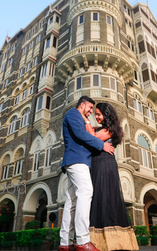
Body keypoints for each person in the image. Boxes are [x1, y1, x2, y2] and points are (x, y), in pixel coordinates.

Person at [60, 96, 115, 251]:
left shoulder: (80, 117)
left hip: (77, 161)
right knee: (86, 192)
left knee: (72, 202)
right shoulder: (73, 113)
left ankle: (65, 243)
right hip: (77, 160)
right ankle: (82, 241)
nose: (91, 112)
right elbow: (81, 135)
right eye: (90, 108)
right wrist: (102, 145)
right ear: (82, 105)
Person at [84, 103, 138, 251]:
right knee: (98, 199)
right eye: (95, 114)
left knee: (105, 199)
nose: (96, 117)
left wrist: (87, 122)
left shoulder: (109, 129)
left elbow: (93, 138)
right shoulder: (103, 128)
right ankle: (98, 241)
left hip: (104, 166)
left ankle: (112, 243)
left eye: (98, 114)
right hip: (97, 165)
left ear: (106, 115)